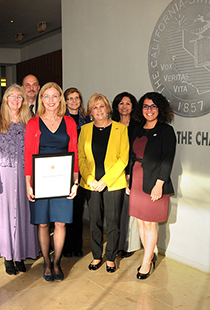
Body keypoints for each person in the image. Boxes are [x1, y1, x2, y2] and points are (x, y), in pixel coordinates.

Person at [24, 82, 79, 282]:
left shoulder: (69, 122)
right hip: (41, 180)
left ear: (60, 99)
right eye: (46, 96)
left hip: (63, 179)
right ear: (41, 100)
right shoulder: (33, 123)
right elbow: (28, 155)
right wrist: (28, 184)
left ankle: (57, 262)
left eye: (55, 96)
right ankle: (46, 263)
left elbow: (74, 152)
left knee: (61, 223)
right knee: (43, 224)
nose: (51, 100)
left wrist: (75, 181)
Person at [0, 84, 39, 275]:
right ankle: (9, 257)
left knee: (24, 215)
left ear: (23, 101)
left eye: (19, 97)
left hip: (26, 175)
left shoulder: (30, 122)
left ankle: (21, 255)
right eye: (12, 96)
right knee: (6, 216)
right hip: (4, 175)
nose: (16, 100)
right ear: (6, 99)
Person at [78, 93, 129, 273]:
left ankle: (111, 257)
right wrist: (90, 179)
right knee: (95, 222)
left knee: (113, 222)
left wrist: (105, 181)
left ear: (107, 108)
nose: (99, 110)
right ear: (90, 111)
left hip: (113, 184)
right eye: (95, 107)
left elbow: (123, 158)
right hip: (91, 183)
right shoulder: (84, 130)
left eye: (102, 106)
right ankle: (97, 255)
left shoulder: (120, 129)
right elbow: (81, 158)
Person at [128, 92, 176, 280]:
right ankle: (149, 253)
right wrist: (129, 180)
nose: (149, 110)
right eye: (146, 106)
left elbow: (167, 160)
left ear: (160, 109)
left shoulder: (166, 131)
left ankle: (146, 262)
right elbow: (131, 156)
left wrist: (159, 184)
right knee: (140, 221)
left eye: (153, 106)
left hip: (155, 181)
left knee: (150, 223)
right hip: (137, 180)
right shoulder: (137, 129)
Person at [111, 92, 142, 258]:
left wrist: (129, 172)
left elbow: (136, 151)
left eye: (128, 103)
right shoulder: (111, 124)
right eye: (121, 103)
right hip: (114, 172)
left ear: (133, 107)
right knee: (116, 211)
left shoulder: (138, 126)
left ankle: (128, 245)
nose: (124, 106)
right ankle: (116, 244)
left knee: (129, 210)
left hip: (131, 171)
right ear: (116, 106)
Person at [63, 87, 91, 258]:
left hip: (82, 168)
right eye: (70, 98)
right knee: (66, 209)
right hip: (65, 168)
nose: (74, 101)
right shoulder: (61, 120)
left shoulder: (87, 121)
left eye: (77, 98)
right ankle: (66, 246)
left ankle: (77, 245)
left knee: (78, 208)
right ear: (65, 101)